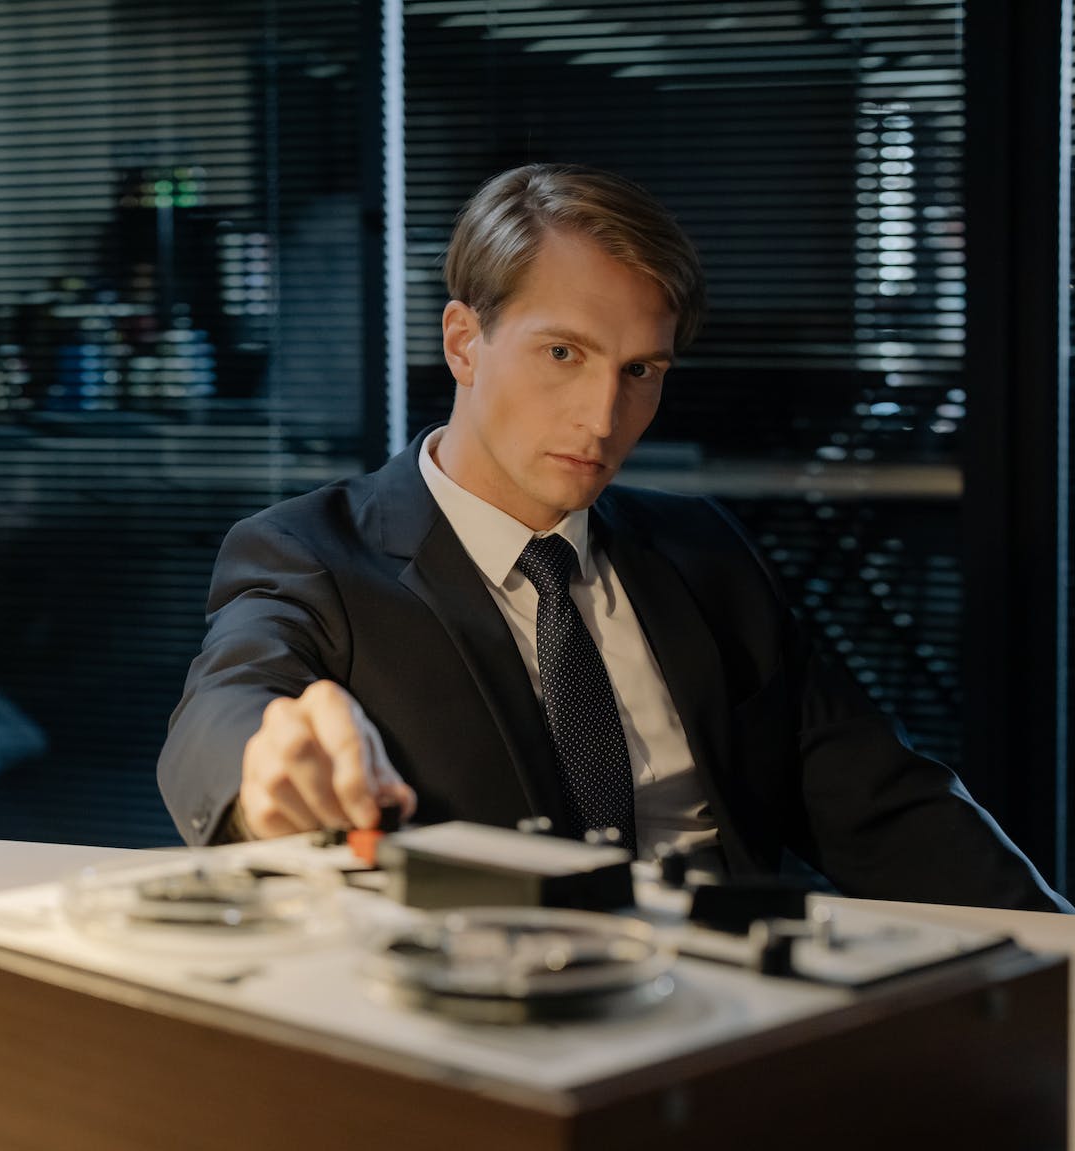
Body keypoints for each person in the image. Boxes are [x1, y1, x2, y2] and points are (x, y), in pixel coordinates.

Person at [157, 163, 1068, 912]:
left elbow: (887, 805)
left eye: (641, 370)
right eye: (565, 353)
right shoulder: (311, 553)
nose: (604, 415)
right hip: (486, 1045)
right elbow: (228, 703)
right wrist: (262, 761)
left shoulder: (702, 553)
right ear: (465, 342)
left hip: (726, 1031)